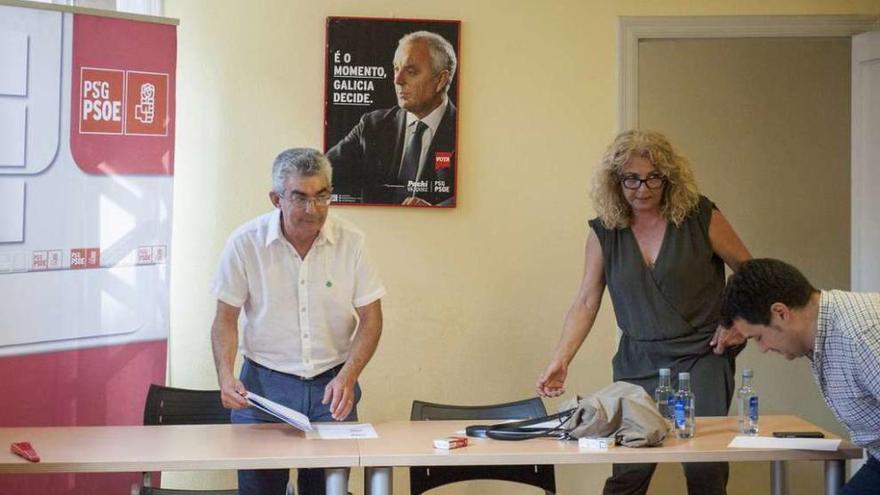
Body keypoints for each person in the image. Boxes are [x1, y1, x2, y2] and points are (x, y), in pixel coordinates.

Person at [536, 130, 751, 495]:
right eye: (631, 179)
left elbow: (750, 271)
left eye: (654, 177)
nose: (643, 188)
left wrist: (739, 324)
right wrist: (561, 358)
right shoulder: (606, 231)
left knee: (705, 468)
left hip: (701, 356)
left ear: (669, 178)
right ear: (615, 182)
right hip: (637, 360)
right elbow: (586, 300)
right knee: (629, 469)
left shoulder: (700, 216)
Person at [210, 148, 385, 495]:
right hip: (263, 389)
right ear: (276, 198)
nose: (313, 209)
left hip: (332, 388)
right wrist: (225, 375)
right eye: (300, 198)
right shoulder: (246, 243)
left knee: (326, 490)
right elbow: (225, 319)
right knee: (260, 491)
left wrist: (349, 376)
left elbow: (371, 318)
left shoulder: (352, 243)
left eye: (322, 197)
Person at [720, 258, 880, 495]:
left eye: (757, 337)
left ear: (780, 313)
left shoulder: (860, 337)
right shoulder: (823, 332)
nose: (762, 349)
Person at [327, 30, 457, 206]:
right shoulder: (372, 125)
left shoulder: (464, 130)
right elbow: (322, 171)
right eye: (396, 69)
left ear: (441, 80)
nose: (397, 79)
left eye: (411, 71)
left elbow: (483, 190)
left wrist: (437, 210)